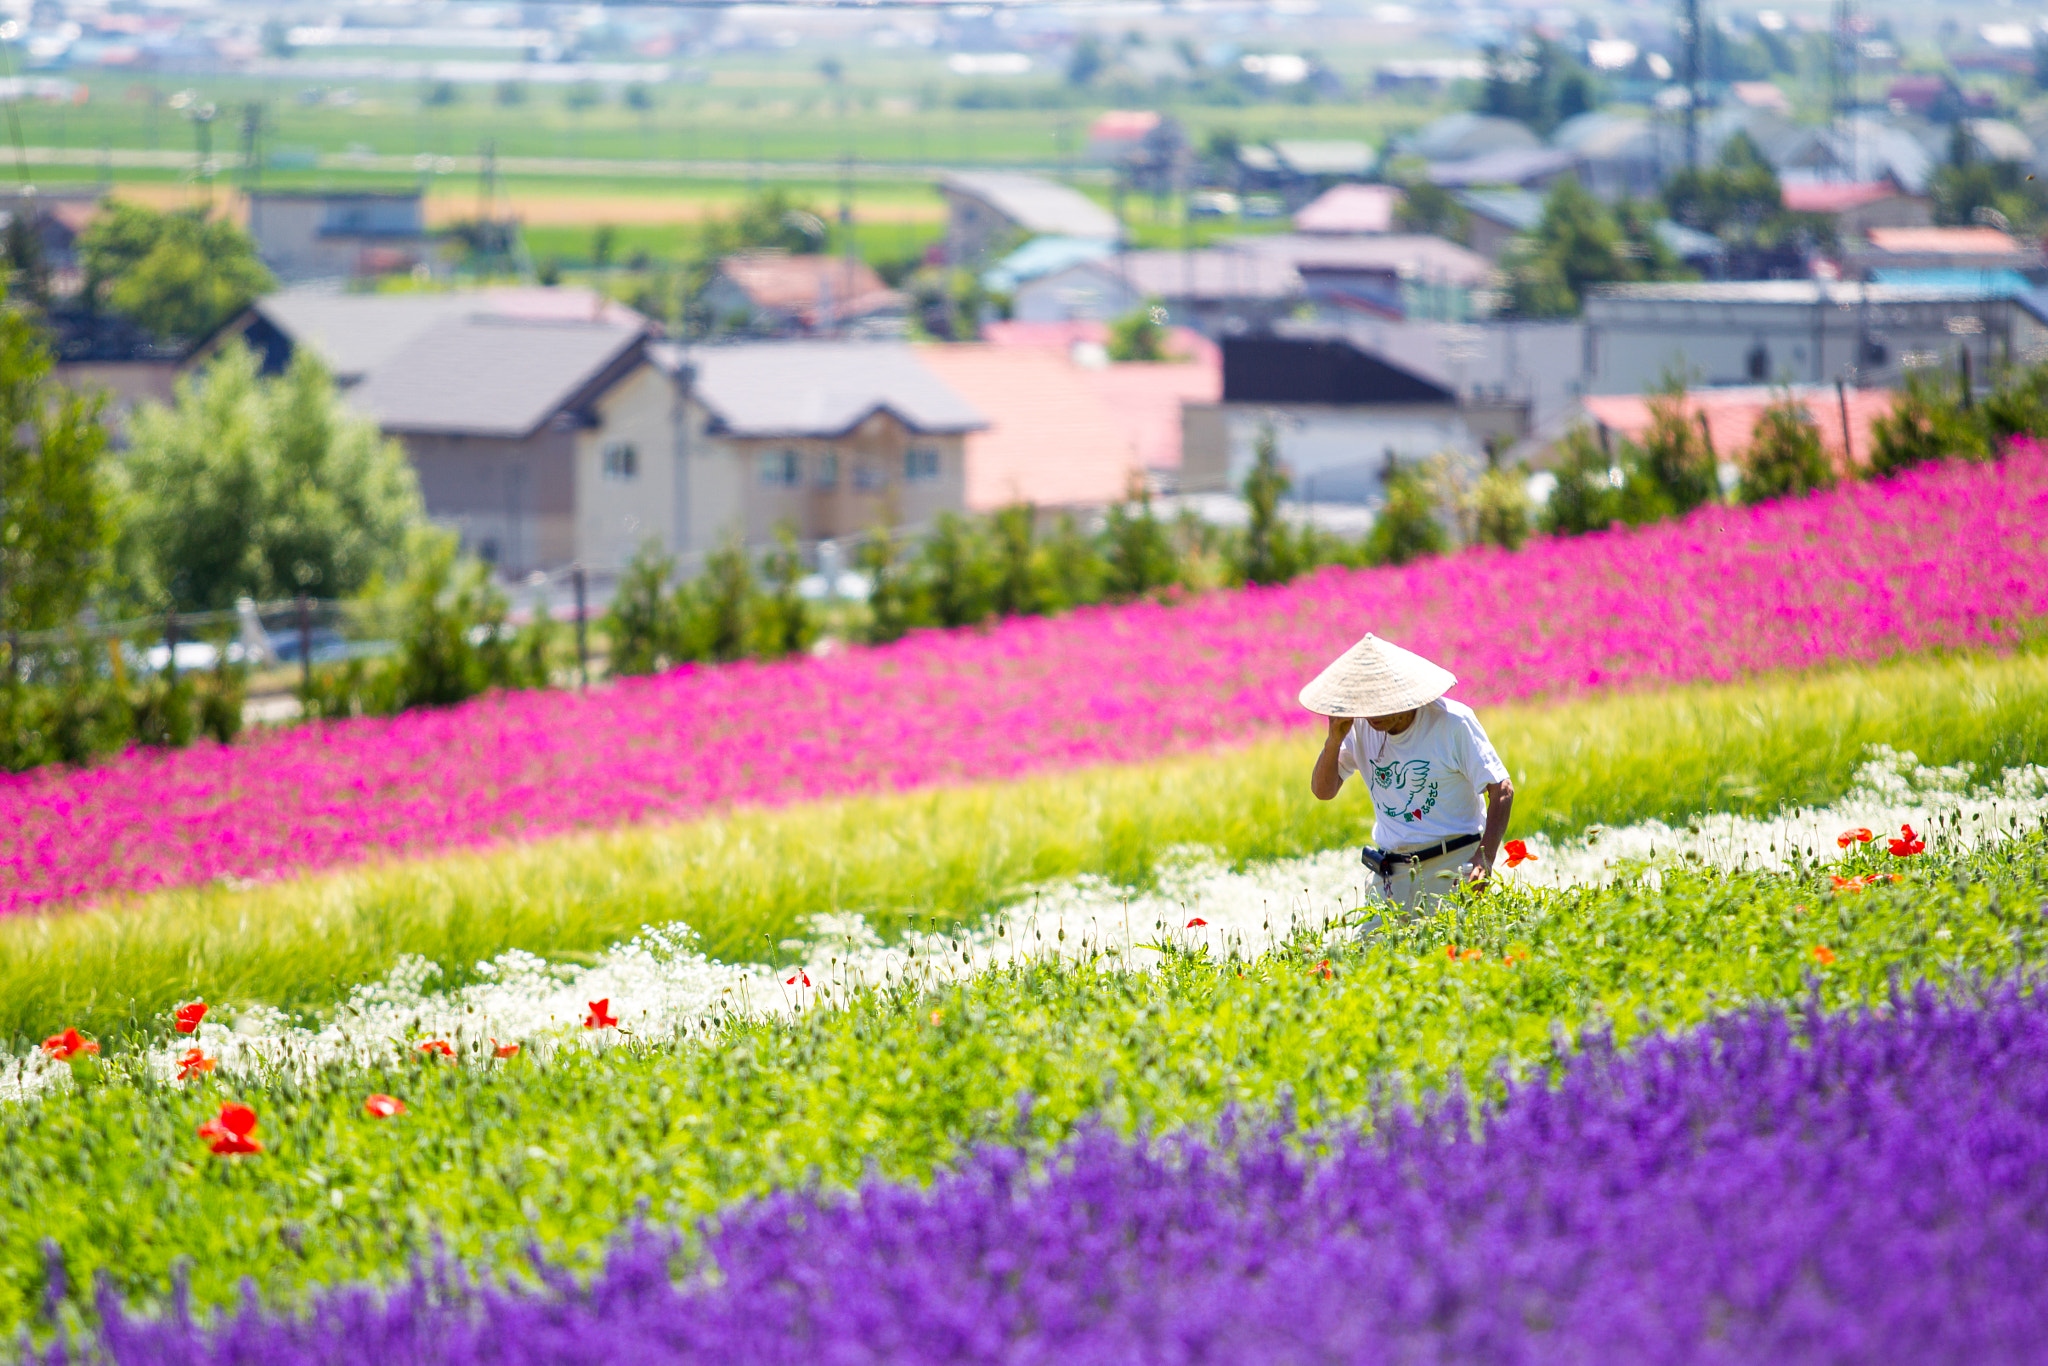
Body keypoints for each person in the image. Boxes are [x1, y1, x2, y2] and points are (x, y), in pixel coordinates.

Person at [1301, 632, 1514, 913]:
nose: (1374, 715)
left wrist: (1484, 858)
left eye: (1383, 704)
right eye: (1367, 704)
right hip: (1392, 871)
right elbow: (1323, 791)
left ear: (1406, 696)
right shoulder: (1360, 728)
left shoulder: (1452, 723)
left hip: (1452, 863)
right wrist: (1333, 741)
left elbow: (1502, 789)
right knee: (1370, 952)